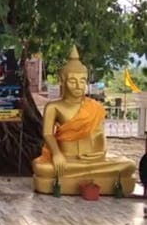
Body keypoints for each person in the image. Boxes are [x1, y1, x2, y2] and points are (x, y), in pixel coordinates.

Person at [32, 46, 136, 195]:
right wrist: (56, 153)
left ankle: (96, 175)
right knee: (43, 168)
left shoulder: (94, 107)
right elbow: (48, 134)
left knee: (129, 165)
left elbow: (99, 133)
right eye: (72, 81)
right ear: (63, 80)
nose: (78, 86)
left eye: (82, 81)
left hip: (94, 159)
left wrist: (100, 153)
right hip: (67, 159)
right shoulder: (54, 107)